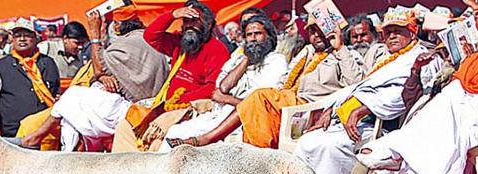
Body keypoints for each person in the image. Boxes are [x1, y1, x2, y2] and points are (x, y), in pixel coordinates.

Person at [294, 8, 441, 174]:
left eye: (398, 31)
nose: (392, 36)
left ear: (412, 32)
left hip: (384, 124)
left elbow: (403, 96)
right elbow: (359, 86)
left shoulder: (423, 57)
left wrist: (363, 109)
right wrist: (330, 109)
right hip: (355, 118)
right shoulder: (388, 59)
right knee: (308, 141)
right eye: (388, 32)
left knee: (330, 145)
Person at [333, 52, 478, 174]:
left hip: (450, 124)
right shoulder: (436, 73)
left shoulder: (460, 78)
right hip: (422, 126)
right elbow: (409, 100)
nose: (447, 55)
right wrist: (416, 71)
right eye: (444, 51)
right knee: (397, 146)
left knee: (409, 146)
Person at [172, 18, 364, 150]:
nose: (317, 36)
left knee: (259, 97)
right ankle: (226, 147)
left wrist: (340, 48)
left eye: (321, 30)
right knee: (258, 102)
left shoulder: (346, 55)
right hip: (286, 104)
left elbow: (356, 84)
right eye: (312, 31)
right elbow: (283, 81)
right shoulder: (307, 52)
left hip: (308, 111)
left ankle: (208, 139)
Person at [22, 6, 170, 151]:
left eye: (107, 24)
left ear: (117, 26)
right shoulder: (147, 39)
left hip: (135, 110)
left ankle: (37, 138)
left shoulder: (126, 43)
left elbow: (100, 68)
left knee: (72, 96)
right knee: (72, 113)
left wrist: (94, 37)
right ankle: (68, 150)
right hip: (138, 107)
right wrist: (102, 78)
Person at [111, 0, 230, 153]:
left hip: (192, 109)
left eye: (195, 21)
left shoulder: (216, 49)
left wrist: (179, 100)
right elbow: (151, 36)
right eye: (186, 20)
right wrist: (172, 15)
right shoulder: (180, 43)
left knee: (157, 135)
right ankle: (125, 170)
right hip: (167, 105)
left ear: (207, 24)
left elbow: (213, 88)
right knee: (126, 126)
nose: (190, 25)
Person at [161, 14, 287, 150]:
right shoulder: (238, 60)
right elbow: (223, 86)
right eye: (249, 35)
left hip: (246, 120)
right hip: (219, 114)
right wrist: (246, 60)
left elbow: (258, 102)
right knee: (175, 130)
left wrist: (226, 99)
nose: (253, 39)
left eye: (258, 34)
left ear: (269, 37)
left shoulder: (276, 60)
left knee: (191, 139)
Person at [0, 17, 60, 138]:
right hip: (14, 133)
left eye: (27, 35)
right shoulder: (0, 67)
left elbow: (56, 91)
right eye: (18, 35)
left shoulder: (48, 63)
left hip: (46, 132)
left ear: (36, 38)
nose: (22, 39)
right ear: (12, 40)